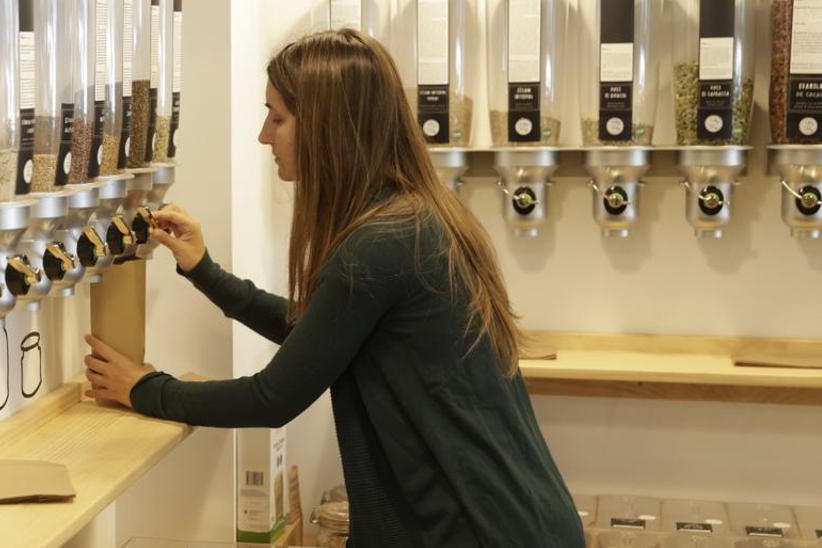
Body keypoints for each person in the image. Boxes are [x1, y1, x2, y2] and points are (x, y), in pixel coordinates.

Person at [81, 28, 584, 547]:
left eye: (277, 117)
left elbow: (271, 397)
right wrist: (206, 271)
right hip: (514, 520)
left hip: (480, 531)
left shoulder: (382, 243)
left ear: (328, 127)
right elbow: (322, 334)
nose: (263, 135)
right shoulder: (412, 217)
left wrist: (145, 389)